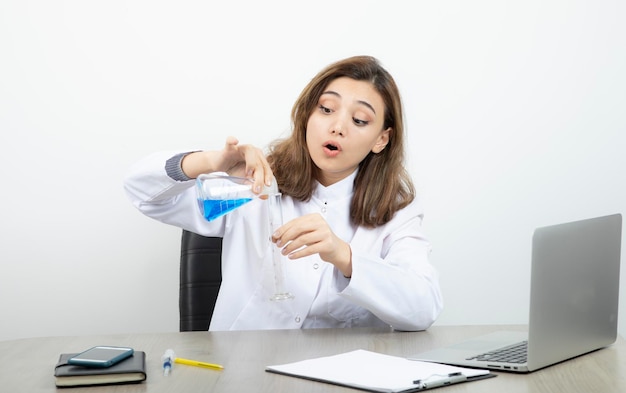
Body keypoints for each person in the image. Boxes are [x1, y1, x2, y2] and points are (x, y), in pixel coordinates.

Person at [124, 55, 443, 331]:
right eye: (327, 109)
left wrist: (343, 256)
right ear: (307, 116)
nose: (337, 127)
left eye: (359, 119)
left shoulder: (395, 212)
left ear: (381, 140)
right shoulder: (256, 184)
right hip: (243, 373)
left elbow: (423, 307)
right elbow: (141, 191)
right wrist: (209, 162)